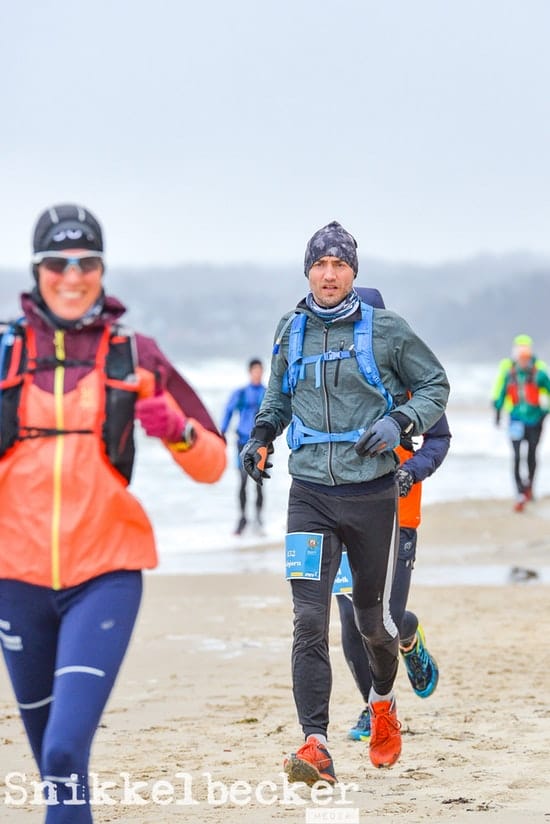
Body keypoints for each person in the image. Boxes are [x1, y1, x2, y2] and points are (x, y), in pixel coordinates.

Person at [0, 203, 226, 823]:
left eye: (87, 263)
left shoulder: (135, 354)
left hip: (105, 574)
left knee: (65, 749)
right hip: (14, 579)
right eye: (58, 262)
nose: (72, 276)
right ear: (37, 270)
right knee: (53, 767)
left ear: (102, 270)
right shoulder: (5, 353)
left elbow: (213, 464)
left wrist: (176, 430)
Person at [240, 220, 449, 781]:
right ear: (307, 271)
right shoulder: (290, 330)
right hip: (308, 495)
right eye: (319, 264)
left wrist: (400, 421)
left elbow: (436, 386)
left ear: (353, 271)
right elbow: (278, 398)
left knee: (372, 623)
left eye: (339, 265)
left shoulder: (387, 330)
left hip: (371, 495)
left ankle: (382, 703)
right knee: (308, 621)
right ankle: (315, 743)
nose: (328, 274)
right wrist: (260, 438)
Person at [337, 412, 451, 741]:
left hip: (398, 512)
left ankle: (409, 637)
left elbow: (438, 438)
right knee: (351, 617)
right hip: (342, 509)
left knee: (383, 619)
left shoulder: (413, 383)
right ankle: (376, 707)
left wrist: (410, 472)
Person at [492, 334, 550, 512]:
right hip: (515, 419)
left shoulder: (540, 373)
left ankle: (529, 486)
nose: (523, 360)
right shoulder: (509, 373)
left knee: (532, 454)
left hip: (535, 420)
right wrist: (497, 412)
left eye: (526, 357)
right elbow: (501, 393)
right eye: (520, 356)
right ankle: (519, 492)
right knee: (517, 456)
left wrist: (544, 413)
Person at [220, 358, 267, 535]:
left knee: (259, 482)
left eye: (260, 371)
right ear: (250, 372)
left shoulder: (266, 393)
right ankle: (242, 518)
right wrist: (222, 432)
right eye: (255, 371)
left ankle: (259, 518)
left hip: (261, 444)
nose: (258, 374)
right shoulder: (241, 393)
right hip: (242, 443)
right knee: (243, 480)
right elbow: (229, 411)